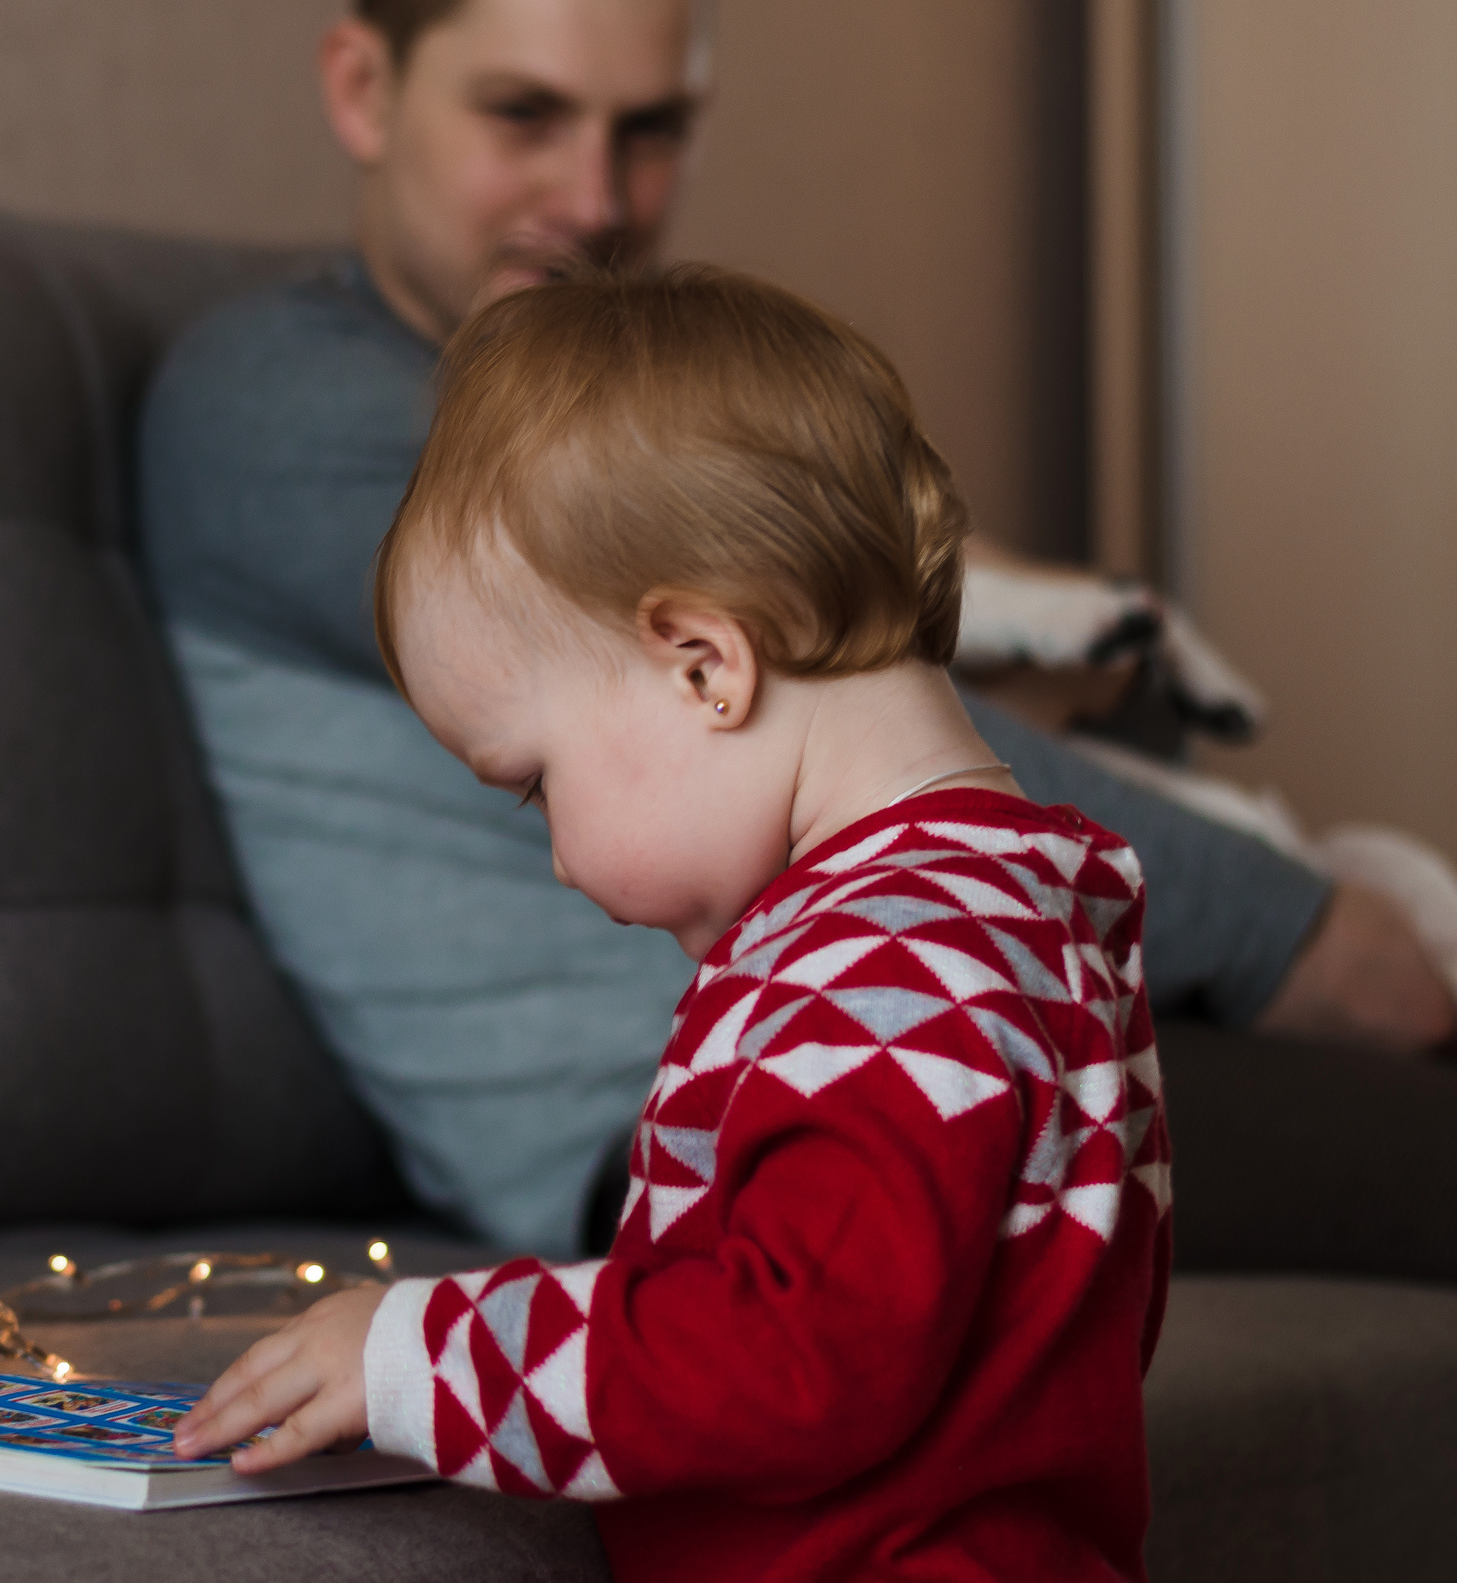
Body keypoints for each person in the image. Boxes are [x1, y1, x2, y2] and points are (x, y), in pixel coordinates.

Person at [136, 0, 1457, 1268]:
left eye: (651, 129)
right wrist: (1293, 936)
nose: (594, 203)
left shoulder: (627, 408)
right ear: (364, 87)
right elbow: (861, 699)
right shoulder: (277, 404)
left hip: (933, 992)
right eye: (523, 114)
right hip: (735, 1114)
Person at [173, 269, 1169, 1583]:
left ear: (705, 665)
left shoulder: (895, 959)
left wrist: (418, 1353)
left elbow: (799, 1358)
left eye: (536, 785)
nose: (563, 864)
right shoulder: (1005, 908)